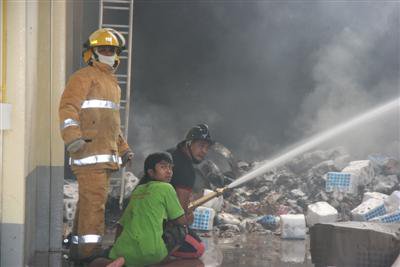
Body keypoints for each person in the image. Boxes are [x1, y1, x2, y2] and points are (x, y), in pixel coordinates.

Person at [59, 28, 134, 262]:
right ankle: (90, 256)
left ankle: (78, 250)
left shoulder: (112, 84)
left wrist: (123, 148)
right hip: (88, 153)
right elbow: (68, 107)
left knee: (88, 204)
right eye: (103, 49)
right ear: (91, 53)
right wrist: (72, 137)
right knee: (95, 207)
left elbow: (111, 125)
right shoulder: (83, 77)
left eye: (112, 49)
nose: (108, 53)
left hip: (104, 155)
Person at [90, 152, 204, 267]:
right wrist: (189, 216)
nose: (169, 171)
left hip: (122, 251)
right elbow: (181, 221)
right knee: (195, 255)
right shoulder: (166, 188)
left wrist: (117, 248)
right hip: (151, 252)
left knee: (96, 262)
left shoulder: (138, 190)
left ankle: (122, 262)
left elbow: (121, 225)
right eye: (163, 167)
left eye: (170, 167)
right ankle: (154, 263)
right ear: (151, 172)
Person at [166, 123, 214, 257]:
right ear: (189, 143)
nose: (204, 151)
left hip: (139, 218)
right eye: (201, 145)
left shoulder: (169, 153)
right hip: (158, 224)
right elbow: (179, 215)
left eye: (207, 148)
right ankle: (158, 253)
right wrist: (188, 216)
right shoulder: (186, 169)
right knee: (198, 248)